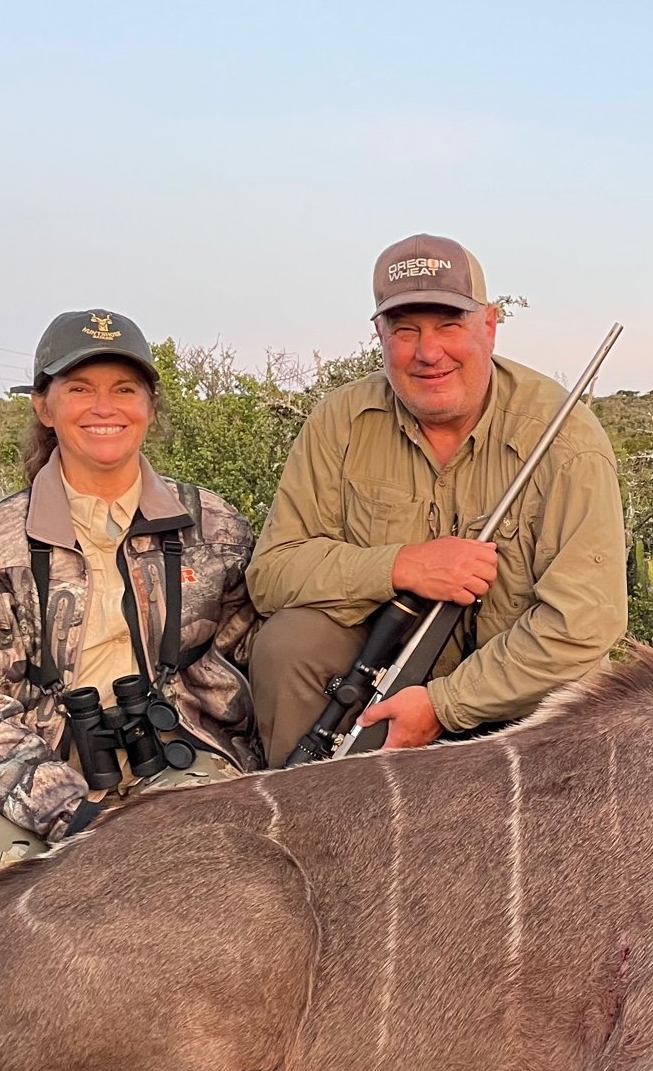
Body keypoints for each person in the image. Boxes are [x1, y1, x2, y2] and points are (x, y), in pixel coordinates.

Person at [0, 310, 261, 916]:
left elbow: (252, 650)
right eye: (79, 389)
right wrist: (66, 809)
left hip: (183, 748)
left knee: (216, 892)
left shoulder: (213, 523)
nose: (104, 407)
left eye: (123, 389)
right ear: (44, 407)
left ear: (149, 406)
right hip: (39, 759)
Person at [249, 233, 626, 762]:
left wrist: (444, 705)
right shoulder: (341, 421)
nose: (429, 353)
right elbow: (272, 573)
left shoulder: (568, 439)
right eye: (405, 330)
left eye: (450, 326)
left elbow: (583, 624)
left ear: (489, 327)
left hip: (518, 694)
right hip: (380, 675)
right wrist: (400, 566)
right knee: (289, 645)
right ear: (378, 334)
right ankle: (304, 819)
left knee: (582, 697)